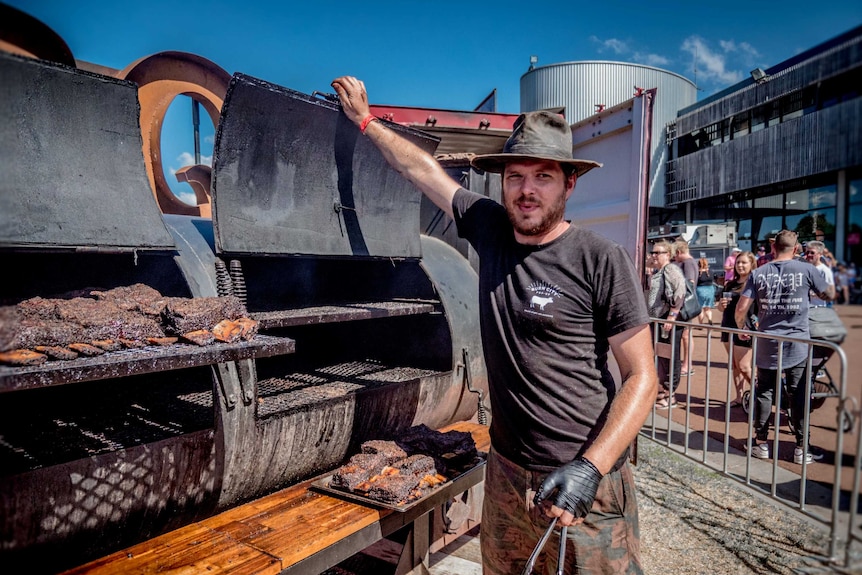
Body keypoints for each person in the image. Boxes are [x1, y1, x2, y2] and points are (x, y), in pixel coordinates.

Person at [331, 76, 658, 575]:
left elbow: (642, 377)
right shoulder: (491, 229)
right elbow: (422, 170)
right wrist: (367, 121)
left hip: (583, 474)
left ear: (570, 182)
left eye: (543, 176)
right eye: (515, 177)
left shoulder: (600, 259)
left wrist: (592, 468)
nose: (527, 191)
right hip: (507, 472)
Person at [735, 230, 835, 465]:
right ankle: (801, 448)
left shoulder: (759, 273)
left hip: (768, 340)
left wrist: (742, 326)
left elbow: (741, 308)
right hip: (797, 341)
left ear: (772, 248)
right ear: (796, 248)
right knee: (798, 392)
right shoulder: (807, 269)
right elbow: (828, 292)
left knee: (765, 391)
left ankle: (761, 444)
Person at [646, 240, 686, 408]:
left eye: (658, 253)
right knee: (662, 356)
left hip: (667, 321)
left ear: (668, 255)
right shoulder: (658, 271)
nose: (654, 256)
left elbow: (680, 291)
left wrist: (672, 316)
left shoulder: (671, 269)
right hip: (659, 320)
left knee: (670, 356)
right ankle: (662, 392)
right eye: (653, 252)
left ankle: (670, 394)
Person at [715, 251, 757, 407]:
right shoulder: (730, 284)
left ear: (752, 264)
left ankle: (762, 394)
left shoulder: (754, 283)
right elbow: (720, 307)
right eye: (738, 262)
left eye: (744, 263)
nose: (740, 266)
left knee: (745, 366)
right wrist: (721, 305)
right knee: (734, 364)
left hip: (745, 328)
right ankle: (739, 397)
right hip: (728, 326)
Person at [673, 240, 698, 375]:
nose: (674, 258)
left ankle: (687, 365)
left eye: (675, 255)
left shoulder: (687, 263)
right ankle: (687, 364)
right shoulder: (691, 262)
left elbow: (690, 283)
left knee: (686, 335)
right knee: (686, 335)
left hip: (686, 305)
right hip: (687, 304)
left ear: (678, 252)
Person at [804, 241, 836, 308]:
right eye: (807, 252)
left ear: (820, 254)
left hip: (818, 308)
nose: (809, 255)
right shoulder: (806, 268)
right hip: (806, 308)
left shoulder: (824, 271)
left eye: (812, 253)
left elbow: (830, 293)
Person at [695, 257, 715, 325]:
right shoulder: (711, 272)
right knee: (708, 308)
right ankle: (710, 318)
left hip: (700, 290)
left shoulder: (697, 273)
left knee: (700, 309)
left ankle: (700, 324)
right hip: (710, 290)